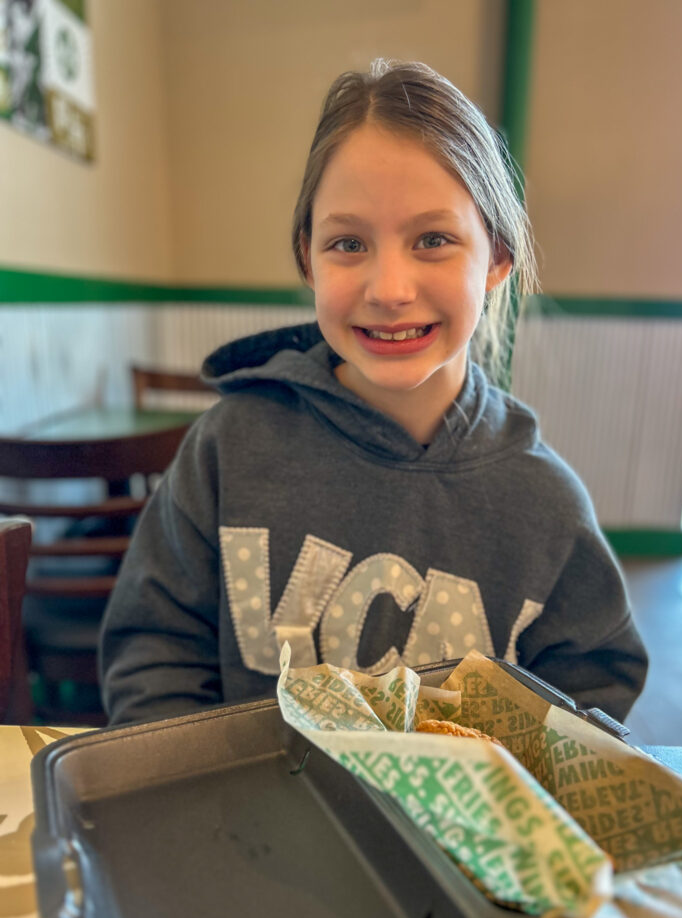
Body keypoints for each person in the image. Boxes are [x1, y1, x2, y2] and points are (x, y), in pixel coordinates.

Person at [100, 59, 647, 726]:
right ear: (307, 256)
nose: (389, 289)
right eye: (348, 243)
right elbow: (154, 655)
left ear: (498, 259)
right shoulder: (228, 447)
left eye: (434, 239)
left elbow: (592, 705)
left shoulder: (546, 506)